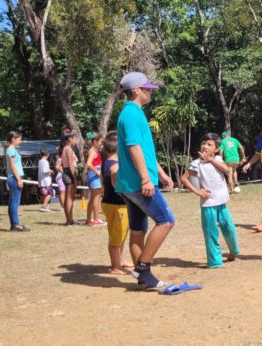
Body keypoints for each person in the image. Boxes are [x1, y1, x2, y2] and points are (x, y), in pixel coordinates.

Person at [115, 72, 176, 289]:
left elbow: (145, 151)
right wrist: (145, 179)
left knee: (138, 230)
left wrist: (160, 173)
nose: (150, 91)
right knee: (166, 220)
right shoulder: (131, 114)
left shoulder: (134, 113)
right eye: (147, 88)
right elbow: (134, 147)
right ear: (136, 90)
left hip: (130, 183)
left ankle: (144, 278)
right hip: (138, 183)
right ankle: (142, 267)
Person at [180, 133, 240, 268]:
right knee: (211, 232)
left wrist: (211, 160)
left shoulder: (218, 159)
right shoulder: (196, 164)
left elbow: (226, 170)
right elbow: (184, 179)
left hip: (222, 203)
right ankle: (215, 261)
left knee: (229, 228)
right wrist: (197, 191)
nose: (205, 146)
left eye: (209, 144)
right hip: (208, 205)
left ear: (216, 149)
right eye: (203, 144)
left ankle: (233, 252)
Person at [100, 131, 132, 275]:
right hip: (116, 205)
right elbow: (115, 180)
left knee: (121, 233)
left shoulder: (107, 162)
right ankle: (115, 266)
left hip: (114, 204)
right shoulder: (114, 165)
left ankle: (120, 260)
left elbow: (104, 182)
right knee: (117, 236)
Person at [5, 131, 30, 232]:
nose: (20, 141)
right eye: (19, 139)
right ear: (13, 139)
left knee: (12, 202)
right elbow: (12, 166)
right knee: (15, 202)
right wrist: (19, 179)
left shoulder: (10, 150)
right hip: (15, 178)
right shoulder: (11, 150)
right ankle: (15, 224)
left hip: (13, 177)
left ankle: (14, 224)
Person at [86, 133, 106, 226]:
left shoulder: (94, 150)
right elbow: (89, 164)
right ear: (95, 142)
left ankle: (89, 219)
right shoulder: (92, 151)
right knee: (96, 198)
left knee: (93, 198)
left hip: (93, 176)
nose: (101, 143)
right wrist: (97, 172)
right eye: (100, 142)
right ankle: (96, 219)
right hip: (94, 176)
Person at [60, 133, 79, 225]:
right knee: (69, 198)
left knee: (69, 197)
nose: (76, 140)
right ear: (69, 139)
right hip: (69, 174)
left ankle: (70, 219)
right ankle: (69, 220)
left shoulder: (64, 149)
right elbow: (71, 165)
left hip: (66, 172)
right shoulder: (68, 149)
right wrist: (74, 177)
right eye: (75, 138)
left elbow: (63, 165)